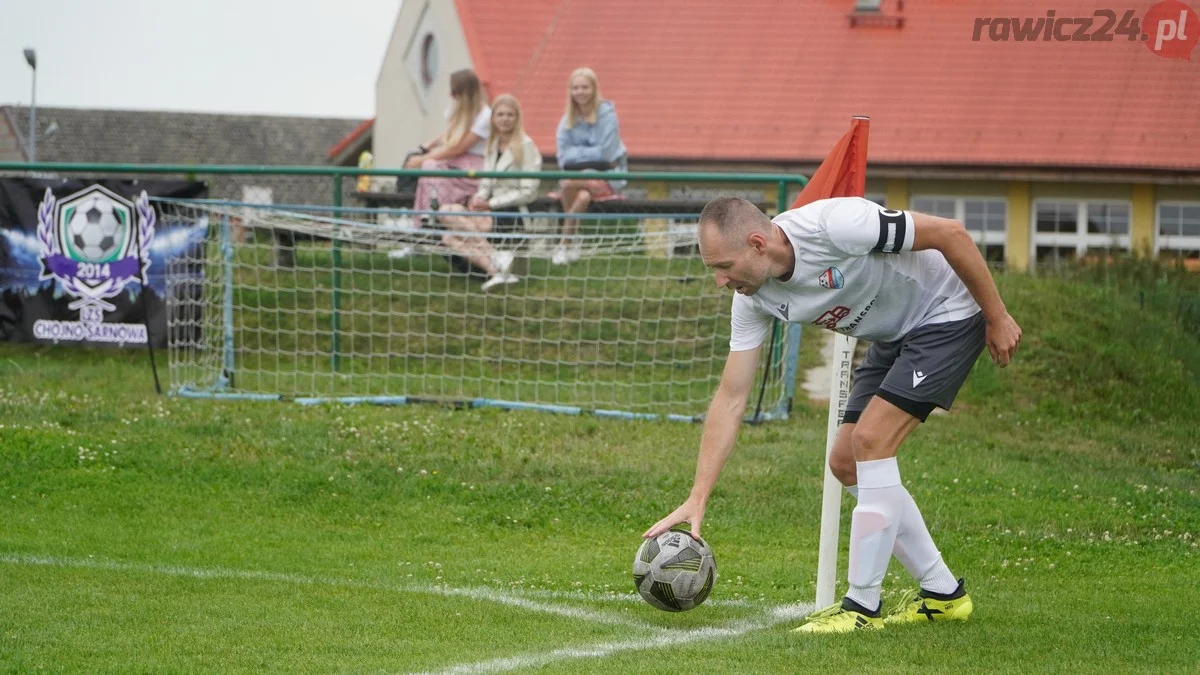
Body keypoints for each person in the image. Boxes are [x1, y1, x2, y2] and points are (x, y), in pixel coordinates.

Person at [643, 196, 1022, 633]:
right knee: (845, 461)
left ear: (757, 244)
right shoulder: (751, 298)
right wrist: (698, 496)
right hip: (894, 333)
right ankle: (943, 594)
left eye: (723, 265)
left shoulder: (837, 225)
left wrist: (997, 316)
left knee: (871, 440)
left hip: (948, 313)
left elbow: (951, 233)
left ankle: (861, 608)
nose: (718, 280)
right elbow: (731, 397)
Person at [437, 94, 542, 291]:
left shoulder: (526, 146)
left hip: (513, 210)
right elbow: (486, 183)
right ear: (493, 119)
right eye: (500, 114)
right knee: (447, 224)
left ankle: (496, 263)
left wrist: (491, 204)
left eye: (510, 115)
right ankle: (497, 269)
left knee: (455, 230)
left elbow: (529, 191)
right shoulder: (492, 146)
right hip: (489, 208)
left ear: (517, 118)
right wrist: (479, 198)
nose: (505, 119)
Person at [395, 69, 491, 248]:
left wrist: (423, 159)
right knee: (423, 163)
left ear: (465, 92)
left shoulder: (485, 117)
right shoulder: (458, 110)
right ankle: (419, 215)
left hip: (473, 164)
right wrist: (428, 146)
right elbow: (449, 134)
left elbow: (458, 148)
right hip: (456, 160)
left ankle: (429, 214)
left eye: (454, 91)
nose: (450, 95)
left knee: (430, 165)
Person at [552, 67, 628, 265]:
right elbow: (563, 156)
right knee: (582, 195)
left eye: (584, 87)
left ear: (594, 89)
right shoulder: (566, 120)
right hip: (576, 176)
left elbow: (606, 153)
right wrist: (588, 155)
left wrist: (578, 153)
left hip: (607, 175)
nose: (580, 92)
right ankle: (572, 241)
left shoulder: (608, 116)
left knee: (568, 185)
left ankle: (564, 243)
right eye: (575, 88)